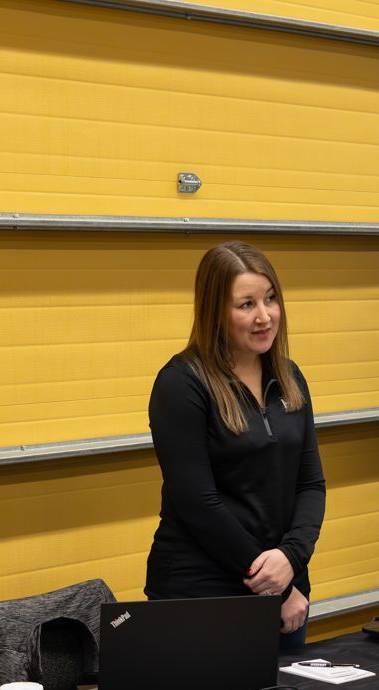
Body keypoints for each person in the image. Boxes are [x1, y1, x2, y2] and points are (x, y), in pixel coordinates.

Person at [146, 241, 325, 652]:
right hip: (204, 594)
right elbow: (198, 504)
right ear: (215, 312)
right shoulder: (181, 385)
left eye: (270, 299)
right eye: (246, 304)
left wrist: (291, 561)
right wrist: (275, 588)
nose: (264, 317)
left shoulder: (290, 377)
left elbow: (310, 484)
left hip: (287, 590)